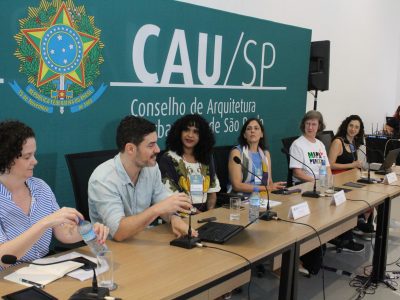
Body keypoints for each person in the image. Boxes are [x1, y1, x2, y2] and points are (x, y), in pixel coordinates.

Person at [0, 120, 109, 270]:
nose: (35, 161)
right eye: (27, 157)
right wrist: (45, 222)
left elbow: (64, 233)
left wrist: (88, 231)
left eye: (34, 154)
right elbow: (2, 257)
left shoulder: (40, 187)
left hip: (42, 271)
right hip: (7, 277)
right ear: (6, 159)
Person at [88, 116, 195, 242]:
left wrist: (174, 219)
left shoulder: (151, 167)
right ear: (130, 149)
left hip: (142, 240)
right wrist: (157, 209)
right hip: (112, 248)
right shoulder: (103, 180)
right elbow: (118, 232)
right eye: (151, 145)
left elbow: (160, 198)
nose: (158, 150)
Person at [159, 114, 220, 212]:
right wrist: (198, 214)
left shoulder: (207, 157)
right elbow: (171, 199)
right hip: (179, 215)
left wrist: (209, 213)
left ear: (202, 136)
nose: (190, 135)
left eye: (195, 132)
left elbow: (212, 193)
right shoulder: (169, 159)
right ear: (179, 132)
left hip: (204, 216)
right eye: (186, 130)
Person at [328, 115, 374, 240]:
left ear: (360, 130)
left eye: (356, 127)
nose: (353, 129)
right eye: (351, 126)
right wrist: (352, 165)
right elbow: (330, 164)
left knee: (370, 195)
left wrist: (358, 167)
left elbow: (353, 163)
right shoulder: (338, 142)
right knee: (359, 197)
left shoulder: (353, 142)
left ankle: (359, 222)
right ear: (346, 126)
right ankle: (355, 225)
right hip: (338, 178)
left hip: (350, 177)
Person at [228, 118, 286, 196]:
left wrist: (274, 189)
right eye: (249, 129)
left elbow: (269, 182)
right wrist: (266, 188)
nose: (252, 131)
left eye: (256, 128)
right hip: (241, 198)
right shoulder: (237, 152)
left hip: (262, 197)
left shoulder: (265, 154)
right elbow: (236, 186)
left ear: (261, 134)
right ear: (244, 135)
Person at [289, 110, 332, 184]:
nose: (310, 127)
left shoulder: (320, 144)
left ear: (319, 126)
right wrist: (316, 182)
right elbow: (297, 173)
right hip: (304, 184)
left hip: (320, 183)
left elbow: (327, 167)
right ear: (304, 125)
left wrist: (329, 182)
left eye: (314, 124)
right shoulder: (297, 144)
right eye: (308, 124)